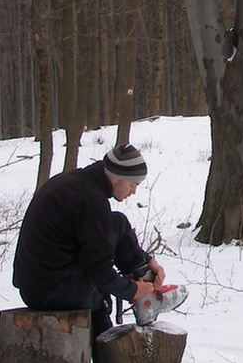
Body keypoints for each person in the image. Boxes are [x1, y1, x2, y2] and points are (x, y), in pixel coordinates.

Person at [13, 141, 187, 342]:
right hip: (50, 292)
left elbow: (100, 241)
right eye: (133, 184)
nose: (133, 192)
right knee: (99, 297)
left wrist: (147, 262)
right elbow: (98, 270)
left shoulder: (79, 183)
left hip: (39, 285)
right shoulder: (91, 200)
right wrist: (131, 291)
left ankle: (148, 295)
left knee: (118, 223)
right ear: (116, 179)